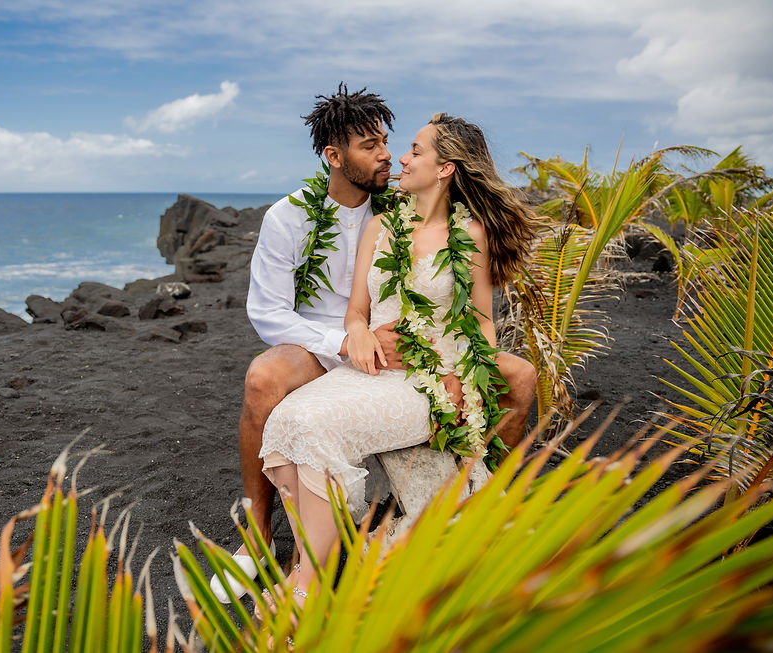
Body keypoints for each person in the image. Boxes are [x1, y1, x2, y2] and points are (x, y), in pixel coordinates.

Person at [210, 85, 535, 602]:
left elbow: (471, 306)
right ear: (334, 157)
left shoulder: (402, 203)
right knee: (263, 377)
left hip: (406, 351)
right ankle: (258, 536)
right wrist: (348, 337)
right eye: (370, 145)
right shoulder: (289, 217)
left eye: (389, 141)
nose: (387, 154)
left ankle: (488, 491)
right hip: (319, 344)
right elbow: (267, 313)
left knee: (517, 374)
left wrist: (451, 364)